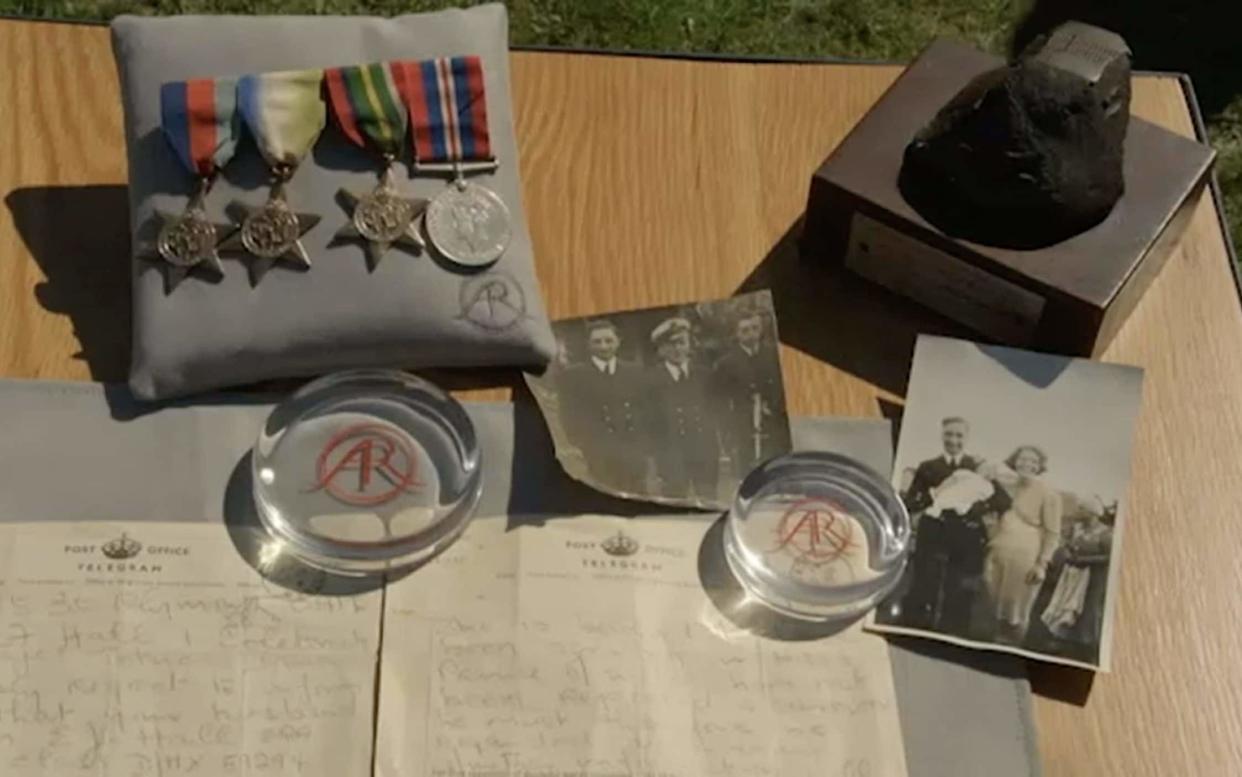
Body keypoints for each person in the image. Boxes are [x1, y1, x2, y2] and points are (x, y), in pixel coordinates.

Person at [899, 417, 994, 634]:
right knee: (924, 581)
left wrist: (973, 509)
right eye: (949, 434)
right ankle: (916, 628)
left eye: (959, 435)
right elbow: (912, 502)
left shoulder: (979, 466)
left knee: (960, 588)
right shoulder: (927, 466)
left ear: (967, 438)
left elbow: (1001, 501)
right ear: (942, 435)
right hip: (933, 532)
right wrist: (934, 495)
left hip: (965, 535)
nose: (953, 440)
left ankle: (952, 632)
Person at [983, 446, 1063, 644]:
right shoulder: (1007, 485)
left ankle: (1014, 648)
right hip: (998, 549)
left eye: (1033, 461)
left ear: (1039, 467)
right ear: (1014, 462)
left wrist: (1041, 563)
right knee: (993, 601)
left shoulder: (1048, 493)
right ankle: (995, 646)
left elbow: (1053, 533)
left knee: (1017, 607)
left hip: (1025, 554)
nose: (1027, 464)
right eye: (1022, 459)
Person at [557, 320, 647, 493]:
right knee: (606, 493)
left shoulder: (633, 371)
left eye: (608, 340)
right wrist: (581, 441)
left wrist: (643, 441)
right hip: (598, 447)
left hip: (632, 446)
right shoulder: (575, 376)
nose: (604, 346)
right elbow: (569, 412)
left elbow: (644, 407)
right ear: (588, 345)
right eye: (597, 342)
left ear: (618, 342)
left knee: (637, 493)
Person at [646, 316, 718, 501]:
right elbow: (649, 420)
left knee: (708, 498)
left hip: (704, 450)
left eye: (681, 342)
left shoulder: (704, 375)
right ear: (661, 350)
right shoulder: (651, 380)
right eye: (670, 344)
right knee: (675, 500)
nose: (677, 349)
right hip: (671, 453)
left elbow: (715, 410)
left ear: (689, 345)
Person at [712, 312, 790, 475]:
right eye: (745, 330)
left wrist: (773, 406)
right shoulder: (726, 364)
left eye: (755, 328)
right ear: (736, 333)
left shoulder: (774, 355)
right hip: (742, 424)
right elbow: (719, 399)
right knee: (747, 468)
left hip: (774, 422)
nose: (751, 334)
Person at [1041, 500, 1112, 648]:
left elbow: (1109, 557)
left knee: (1088, 607)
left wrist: (1084, 560)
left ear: (1092, 513)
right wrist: (1068, 552)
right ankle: (1063, 637)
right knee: (1066, 602)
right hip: (1074, 574)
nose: (1078, 511)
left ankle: (1085, 643)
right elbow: (1069, 544)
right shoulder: (1079, 529)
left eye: (1082, 508)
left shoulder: (1105, 533)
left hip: (1094, 577)